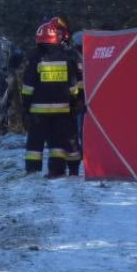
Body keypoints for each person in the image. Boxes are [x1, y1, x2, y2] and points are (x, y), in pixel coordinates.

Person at [21, 20, 82, 178]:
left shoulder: (35, 56)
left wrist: (25, 105)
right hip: (62, 109)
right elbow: (72, 84)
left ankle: (32, 171)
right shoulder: (66, 55)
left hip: (38, 110)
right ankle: (56, 170)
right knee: (57, 142)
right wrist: (74, 100)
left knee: (35, 143)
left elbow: (28, 85)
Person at [51, 16, 83, 176]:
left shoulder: (72, 54)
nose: (55, 36)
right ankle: (57, 169)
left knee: (71, 139)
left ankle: (73, 169)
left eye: (58, 33)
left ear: (64, 35)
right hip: (52, 104)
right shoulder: (47, 53)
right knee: (55, 139)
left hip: (70, 103)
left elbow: (80, 78)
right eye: (53, 33)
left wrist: (79, 99)